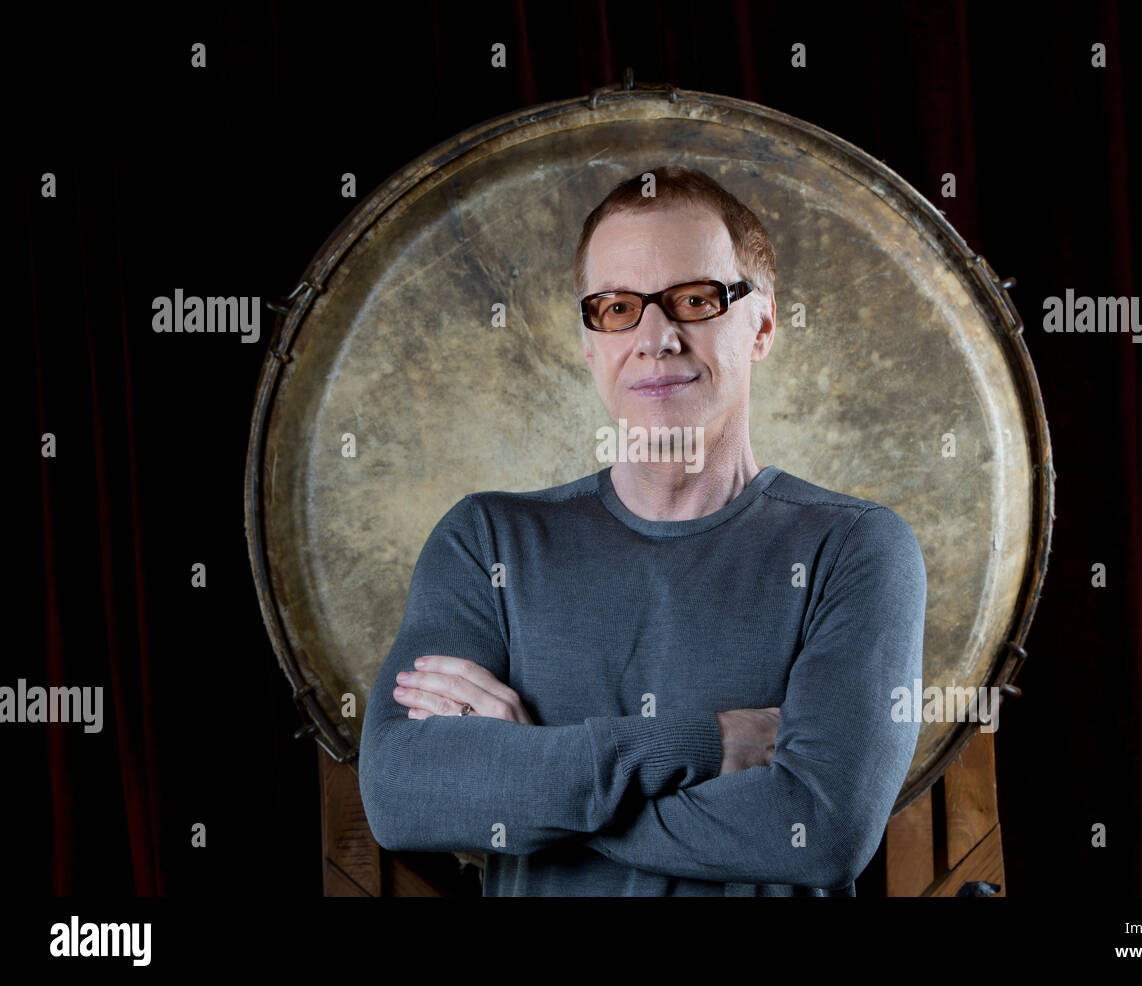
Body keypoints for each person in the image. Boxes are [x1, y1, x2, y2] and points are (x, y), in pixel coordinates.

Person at [358, 165, 927, 896]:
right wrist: (698, 744)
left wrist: (534, 775)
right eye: (618, 307)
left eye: (695, 300)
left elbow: (818, 831)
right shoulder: (487, 541)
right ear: (591, 343)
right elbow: (402, 795)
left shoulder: (854, 549)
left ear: (762, 325)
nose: (656, 338)